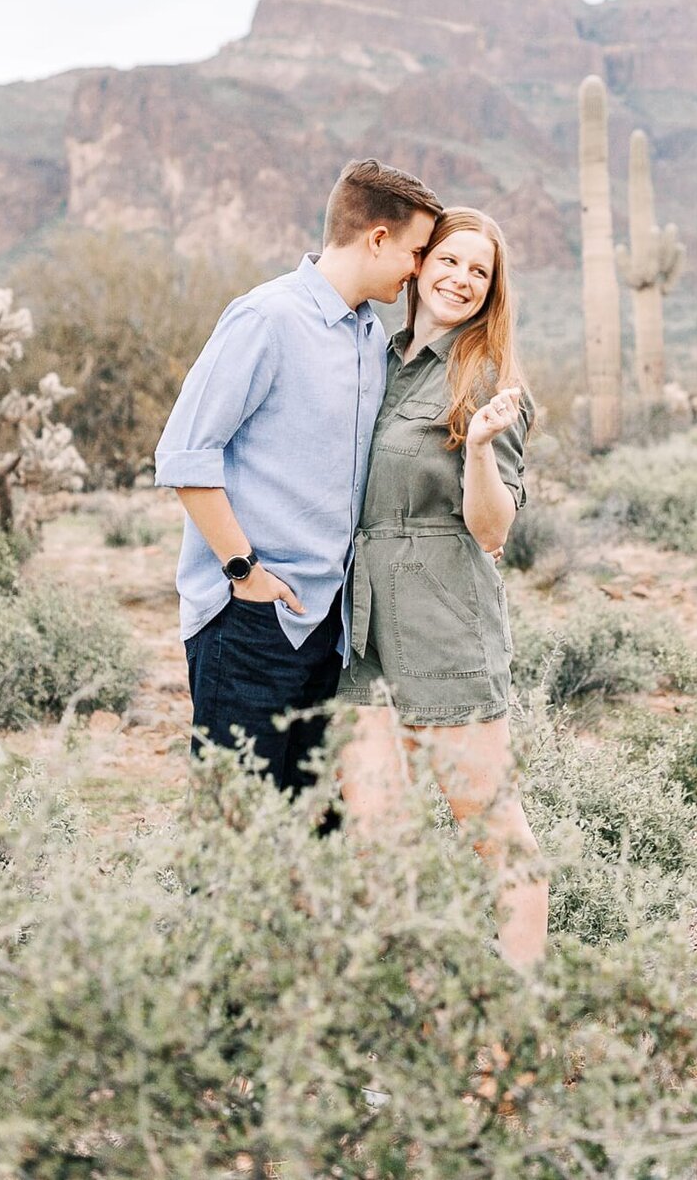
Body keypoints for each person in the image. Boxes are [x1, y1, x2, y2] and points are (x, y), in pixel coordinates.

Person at [154, 158, 442, 794]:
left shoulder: (372, 335)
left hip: (331, 626)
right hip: (252, 618)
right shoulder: (266, 318)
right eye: (416, 251)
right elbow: (185, 455)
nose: (418, 269)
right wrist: (243, 572)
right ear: (377, 238)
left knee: (311, 838)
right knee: (237, 831)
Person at [336, 206, 548, 971]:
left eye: (479, 271)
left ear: (492, 291)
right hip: (360, 641)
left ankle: (509, 1045)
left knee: (499, 841)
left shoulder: (488, 381)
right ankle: (413, 1050)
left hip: (445, 628)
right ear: (419, 266)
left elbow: (492, 530)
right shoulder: (376, 358)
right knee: (376, 851)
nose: (461, 278)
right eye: (450, 260)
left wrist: (483, 448)